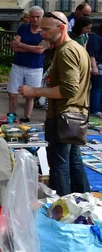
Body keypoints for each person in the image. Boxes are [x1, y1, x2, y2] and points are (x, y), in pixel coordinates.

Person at [19, 11, 90, 197]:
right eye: (41, 28)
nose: (41, 32)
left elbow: (69, 89)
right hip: (74, 115)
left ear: (61, 27)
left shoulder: (67, 51)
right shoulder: (76, 47)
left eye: (46, 29)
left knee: (59, 166)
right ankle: (83, 201)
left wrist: (35, 91)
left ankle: (63, 208)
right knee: (73, 162)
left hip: (63, 117)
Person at [7, 6, 48, 123]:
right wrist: (32, 48)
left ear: (42, 17)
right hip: (18, 65)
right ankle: (11, 115)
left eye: (37, 17)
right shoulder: (23, 28)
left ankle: (26, 117)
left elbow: (40, 50)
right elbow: (14, 46)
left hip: (35, 67)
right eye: (32, 17)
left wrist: (22, 45)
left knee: (30, 95)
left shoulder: (45, 31)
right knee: (13, 93)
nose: (35, 19)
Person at [87, 24, 102, 118]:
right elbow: (92, 53)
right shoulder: (95, 38)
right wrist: (94, 66)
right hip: (99, 65)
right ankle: (95, 109)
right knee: (97, 88)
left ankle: (98, 108)